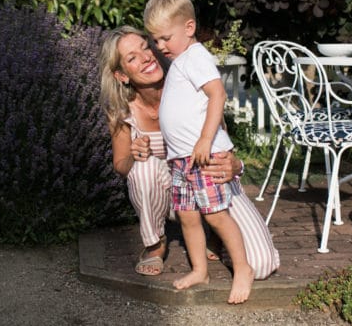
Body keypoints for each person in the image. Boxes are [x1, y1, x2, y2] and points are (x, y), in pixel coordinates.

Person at [98, 26, 279, 288]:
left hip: (212, 180)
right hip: (173, 191)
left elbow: (223, 142)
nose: (146, 57)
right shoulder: (122, 111)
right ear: (121, 75)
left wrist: (235, 166)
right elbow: (120, 164)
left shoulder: (191, 82)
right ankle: (155, 244)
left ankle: (216, 231)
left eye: (145, 47)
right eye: (132, 57)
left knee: (261, 265)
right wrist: (135, 156)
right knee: (143, 168)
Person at [143, 0, 261, 304]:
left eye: (165, 37)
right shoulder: (180, 61)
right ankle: (199, 270)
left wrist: (206, 139)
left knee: (216, 216)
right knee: (188, 217)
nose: (159, 45)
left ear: (189, 28)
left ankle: (243, 268)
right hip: (182, 160)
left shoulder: (196, 57)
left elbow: (217, 95)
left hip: (203, 156)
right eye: (155, 40)